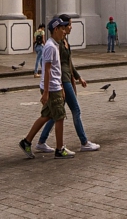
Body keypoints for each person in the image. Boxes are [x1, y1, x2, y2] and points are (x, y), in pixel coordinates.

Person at [37, 16, 100, 153]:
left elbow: (69, 63)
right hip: (61, 81)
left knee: (55, 114)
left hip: (66, 78)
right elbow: (53, 67)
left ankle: (41, 141)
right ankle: (84, 142)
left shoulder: (64, 41)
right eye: (69, 24)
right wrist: (54, 87)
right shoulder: (56, 44)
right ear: (61, 27)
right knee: (75, 110)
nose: (71, 27)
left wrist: (78, 77)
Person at [20, 17, 74, 159]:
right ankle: (59, 149)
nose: (64, 31)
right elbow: (48, 70)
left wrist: (61, 86)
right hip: (51, 88)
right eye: (62, 28)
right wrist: (46, 93)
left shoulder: (55, 44)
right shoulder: (50, 46)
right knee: (60, 117)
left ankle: (26, 141)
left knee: (47, 116)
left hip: (54, 86)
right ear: (56, 30)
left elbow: (56, 70)